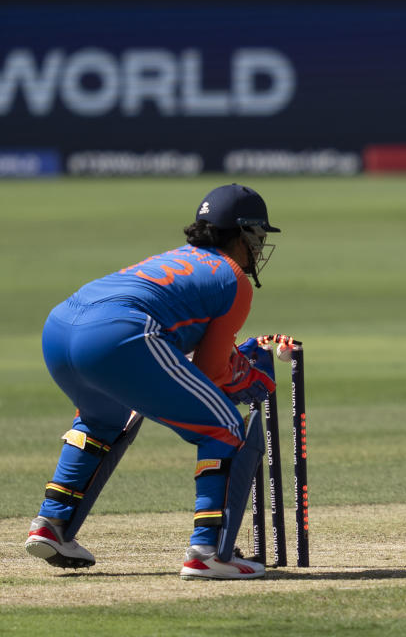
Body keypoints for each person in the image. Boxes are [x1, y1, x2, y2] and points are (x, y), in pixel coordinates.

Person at [24, 184, 281, 580]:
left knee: (101, 421)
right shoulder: (233, 279)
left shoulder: (178, 258)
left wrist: (234, 366)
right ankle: (207, 553)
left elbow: (189, 352)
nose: (259, 248)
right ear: (240, 233)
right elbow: (213, 372)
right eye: (258, 237)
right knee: (226, 427)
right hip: (118, 335)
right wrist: (250, 375)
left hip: (59, 328)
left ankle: (50, 526)